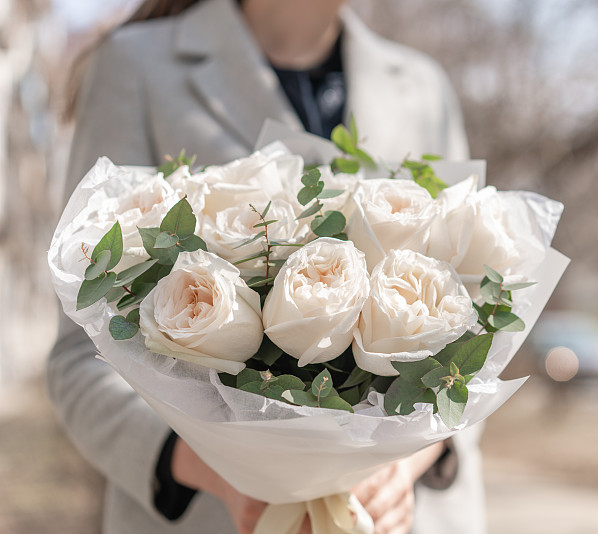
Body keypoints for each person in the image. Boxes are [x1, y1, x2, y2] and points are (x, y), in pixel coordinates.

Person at [49, 0, 484, 533]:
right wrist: (229, 477)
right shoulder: (136, 66)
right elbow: (82, 353)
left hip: (404, 516)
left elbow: (476, 319)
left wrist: (408, 461)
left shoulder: (423, 87)